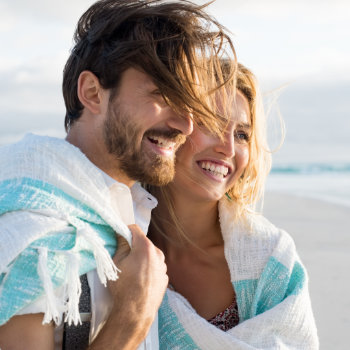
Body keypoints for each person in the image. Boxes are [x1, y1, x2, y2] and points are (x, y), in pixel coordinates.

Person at [0, 1, 236, 349]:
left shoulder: (123, 212)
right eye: (163, 94)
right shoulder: (37, 238)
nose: (185, 124)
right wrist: (133, 317)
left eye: (189, 103)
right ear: (93, 93)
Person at [147, 62, 319, 349]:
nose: (227, 147)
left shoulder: (270, 259)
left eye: (242, 135)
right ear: (172, 128)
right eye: (211, 123)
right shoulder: (115, 247)